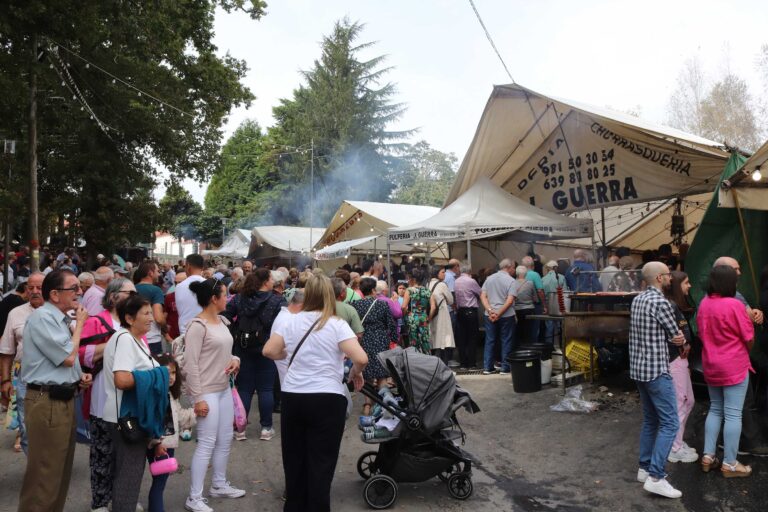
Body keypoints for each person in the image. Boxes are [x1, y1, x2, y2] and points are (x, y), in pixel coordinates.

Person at [263, 274, 368, 512]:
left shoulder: (291, 321)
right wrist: (354, 374)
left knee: (294, 460)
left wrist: (286, 355)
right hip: (327, 398)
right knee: (321, 463)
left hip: (293, 396)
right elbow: (361, 358)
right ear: (331, 296)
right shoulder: (336, 323)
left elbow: (269, 350)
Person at [17, 269, 93, 511]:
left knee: (59, 473)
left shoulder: (58, 319)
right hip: (46, 401)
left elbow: (66, 362)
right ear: (54, 294)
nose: (79, 292)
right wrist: (80, 324)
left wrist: (79, 377)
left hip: (61, 399)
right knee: (45, 476)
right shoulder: (43, 318)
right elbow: (68, 357)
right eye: (73, 288)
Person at [102, 294, 168, 512]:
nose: (151, 318)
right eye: (146, 313)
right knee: (128, 478)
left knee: (128, 476)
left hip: (131, 415)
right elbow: (121, 379)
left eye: (151, 312)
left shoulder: (136, 339)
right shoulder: (124, 339)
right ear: (129, 319)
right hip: (125, 419)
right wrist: (160, 374)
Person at [183, 278, 244, 512]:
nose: (227, 298)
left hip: (223, 389)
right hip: (207, 391)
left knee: (225, 439)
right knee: (207, 443)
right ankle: (194, 497)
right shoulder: (197, 326)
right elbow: (191, 365)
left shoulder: (222, 321)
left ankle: (218, 484)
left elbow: (228, 352)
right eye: (224, 294)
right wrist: (197, 398)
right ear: (213, 298)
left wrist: (235, 361)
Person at [79, 277, 136, 512]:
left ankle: (122, 498)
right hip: (101, 397)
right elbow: (82, 353)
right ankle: (100, 502)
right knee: (102, 454)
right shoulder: (95, 322)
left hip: (129, 397)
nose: (135, 297)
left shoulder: (133, 322)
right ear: (113, 297)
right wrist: (116, 342)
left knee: (126, 455)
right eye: (130, 293)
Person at [629, 262, 685, 498]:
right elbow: (677, 336)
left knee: (651, 420)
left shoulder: (638, 299)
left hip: (639, 369)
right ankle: (656, 476)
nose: (671, 278)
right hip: (656, 370)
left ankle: (645, 467)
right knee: (670, 422)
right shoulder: (661, 302)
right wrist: (678, 338)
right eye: (669, 275)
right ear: (660, 278)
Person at [697, 265, 755, 477]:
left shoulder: (704, 304)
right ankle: (730, 463)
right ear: (731, 283)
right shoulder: (735, 305)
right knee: (733, 414)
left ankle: (708, 456)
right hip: (734, 364)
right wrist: (743, 351)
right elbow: (748, 337)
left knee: (715, 409)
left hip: (711, 363)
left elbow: (701, 334)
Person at [223, 268, 285, 442]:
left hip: (242, 347)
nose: (274, 281)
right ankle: (266, 428)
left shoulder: (240, 298)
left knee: (245, 388)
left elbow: (225, 316)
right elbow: (284, 324)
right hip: (267, 347)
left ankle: (240, 429)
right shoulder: (277, 300)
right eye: (271, 278)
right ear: (266, 281)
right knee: (266, 389)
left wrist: (234, 332)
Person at [0, 273, 44, 454]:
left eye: (39, 288)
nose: (34, 292)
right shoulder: (16, 314)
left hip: (55, 379)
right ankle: (35, 467)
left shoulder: (62, 313)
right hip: (24, 376)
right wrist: (5, 381)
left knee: (51, 429)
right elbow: (7, 351)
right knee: (26, 427)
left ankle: (45, 471)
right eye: (30, 288)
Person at [147, 353, 196, 512]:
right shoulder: (155, 394)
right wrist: (157, 443)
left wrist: (197, 412)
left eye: (174, 373)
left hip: (166, 444)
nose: (171, 377)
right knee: (159, 483)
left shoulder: (170, 394)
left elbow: (180, 417)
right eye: (166, 372)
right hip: (161, 445)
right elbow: (152, 421)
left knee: (159, 482)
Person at [662, 271, 698, 464]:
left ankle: (677, 441)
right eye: (686, 282)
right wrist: (683, 344)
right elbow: (673, 335)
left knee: (688, 401)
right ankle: (674, 447)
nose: (689, 286)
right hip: (675, 361)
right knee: (681, 402)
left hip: (681, 361)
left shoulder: (676, 306)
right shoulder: (670, 306)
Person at [352, 277, 397, 415]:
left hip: (364, 341)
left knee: (367, 376)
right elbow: (391, 324)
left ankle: (367, 405)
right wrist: (395, 338)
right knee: (382, 374)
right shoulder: (382, 304)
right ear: (373, 290)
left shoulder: (355, 305)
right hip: (380, 341)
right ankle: (384, 405)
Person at [480, 259, 518, 375]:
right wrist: (499, 313)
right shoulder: (511, 281)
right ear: (509, 267)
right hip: (506, 315)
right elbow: (510, 300)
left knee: (490, 340)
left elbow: (483, 296)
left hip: (489, 315)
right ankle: (505, 368)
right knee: (506, 340)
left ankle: (488, 367)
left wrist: (491, 311)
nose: (514, 270)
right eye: (513, 267)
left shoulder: (489, 279)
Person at [135, 261, 168, 355]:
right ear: (150, 273)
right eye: (157, 271)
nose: (159, 274)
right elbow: (158, 318)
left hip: (134, 337)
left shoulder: (131, 288)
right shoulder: (156, 291)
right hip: (152, 339)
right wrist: (165, 327)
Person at [454, 264, 481, 369]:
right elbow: (480, 292)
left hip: (460, 311)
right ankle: (472, 363)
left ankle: (463, 363)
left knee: (461, 338)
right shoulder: (471, 281)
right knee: (472, 338)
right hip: (471, 311)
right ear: (470, 271)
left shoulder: (456, 281)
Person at [427, 267, 455, 364]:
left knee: (433, 339)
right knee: (443, 340)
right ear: (437, 274)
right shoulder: (442, 285)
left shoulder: (427, 284)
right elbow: (451, 300)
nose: (444, 274)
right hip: (441, 315)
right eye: (443, 272)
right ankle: (444, 366)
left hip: (431, 315)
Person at [402, 268, 431, 353]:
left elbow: (404, 306)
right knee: (425, 340)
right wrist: (429, 317)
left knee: (414, 342)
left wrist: (406, 314)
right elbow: (433, 307)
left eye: (409, 278)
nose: (408, 281)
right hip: (424, 317)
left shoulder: (409, 290)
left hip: (413, 317)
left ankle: (416, 361)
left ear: (413, 279)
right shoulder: (427, 290)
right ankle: (428, 359)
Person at [175, 254, 205, 335]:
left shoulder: (179, 286)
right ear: (202, 268)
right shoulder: (210, 285)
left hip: (186, 331)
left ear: (188, 266)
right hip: (206, 330)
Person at [521, 256, 546, 340]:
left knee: (523, 329)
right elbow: (540, 291)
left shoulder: (519, 274)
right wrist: (544, 305)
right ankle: (532, 349)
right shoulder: (535, 275)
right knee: (534, 329)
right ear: (533, 265)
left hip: (520, 306)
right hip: (534, 306)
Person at [541, 260, 567, 343]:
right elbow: (565, 292)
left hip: (548, 304)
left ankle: (549, 348)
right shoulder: (561, 277)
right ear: (555, 268)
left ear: (548, 269)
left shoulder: (543, 279)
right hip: (560, 304)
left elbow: (542, 293)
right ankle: (560, 346)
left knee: (549, 326)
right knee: (560, 326)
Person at [513, 265, 537, 346]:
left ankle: (518, 349)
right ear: (526, 274)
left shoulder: (512, 283)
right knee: (528, 331)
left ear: (516, 273)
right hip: (529, 309)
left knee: (517, 331)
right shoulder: (530, 283)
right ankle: (527, 349)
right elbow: (535, 298)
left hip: (516, 310)